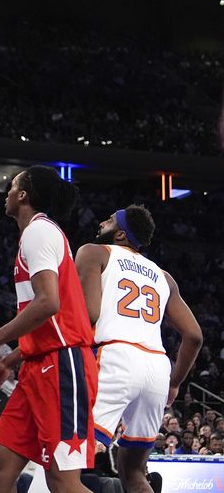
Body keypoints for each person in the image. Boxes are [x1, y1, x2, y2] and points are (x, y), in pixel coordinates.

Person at [0, 165, 98, 493]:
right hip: (38, 366)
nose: (7, 192)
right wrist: (9, 361)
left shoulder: (39, 231)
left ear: (24, 194)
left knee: (62, 482)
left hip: (63, 366)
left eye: (12, 185)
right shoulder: (35, 234)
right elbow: (44, 322)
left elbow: (48, 303)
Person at [75, 204, 203, 493]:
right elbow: (194, 336)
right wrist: (175, 384)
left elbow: (88, 315)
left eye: (108, 220)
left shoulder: (93, 252)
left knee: (67, 459)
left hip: (115, 355)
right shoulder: (164, 276)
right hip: (157, 366)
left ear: (120, 234)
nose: (100, 223)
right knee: (133, 471)